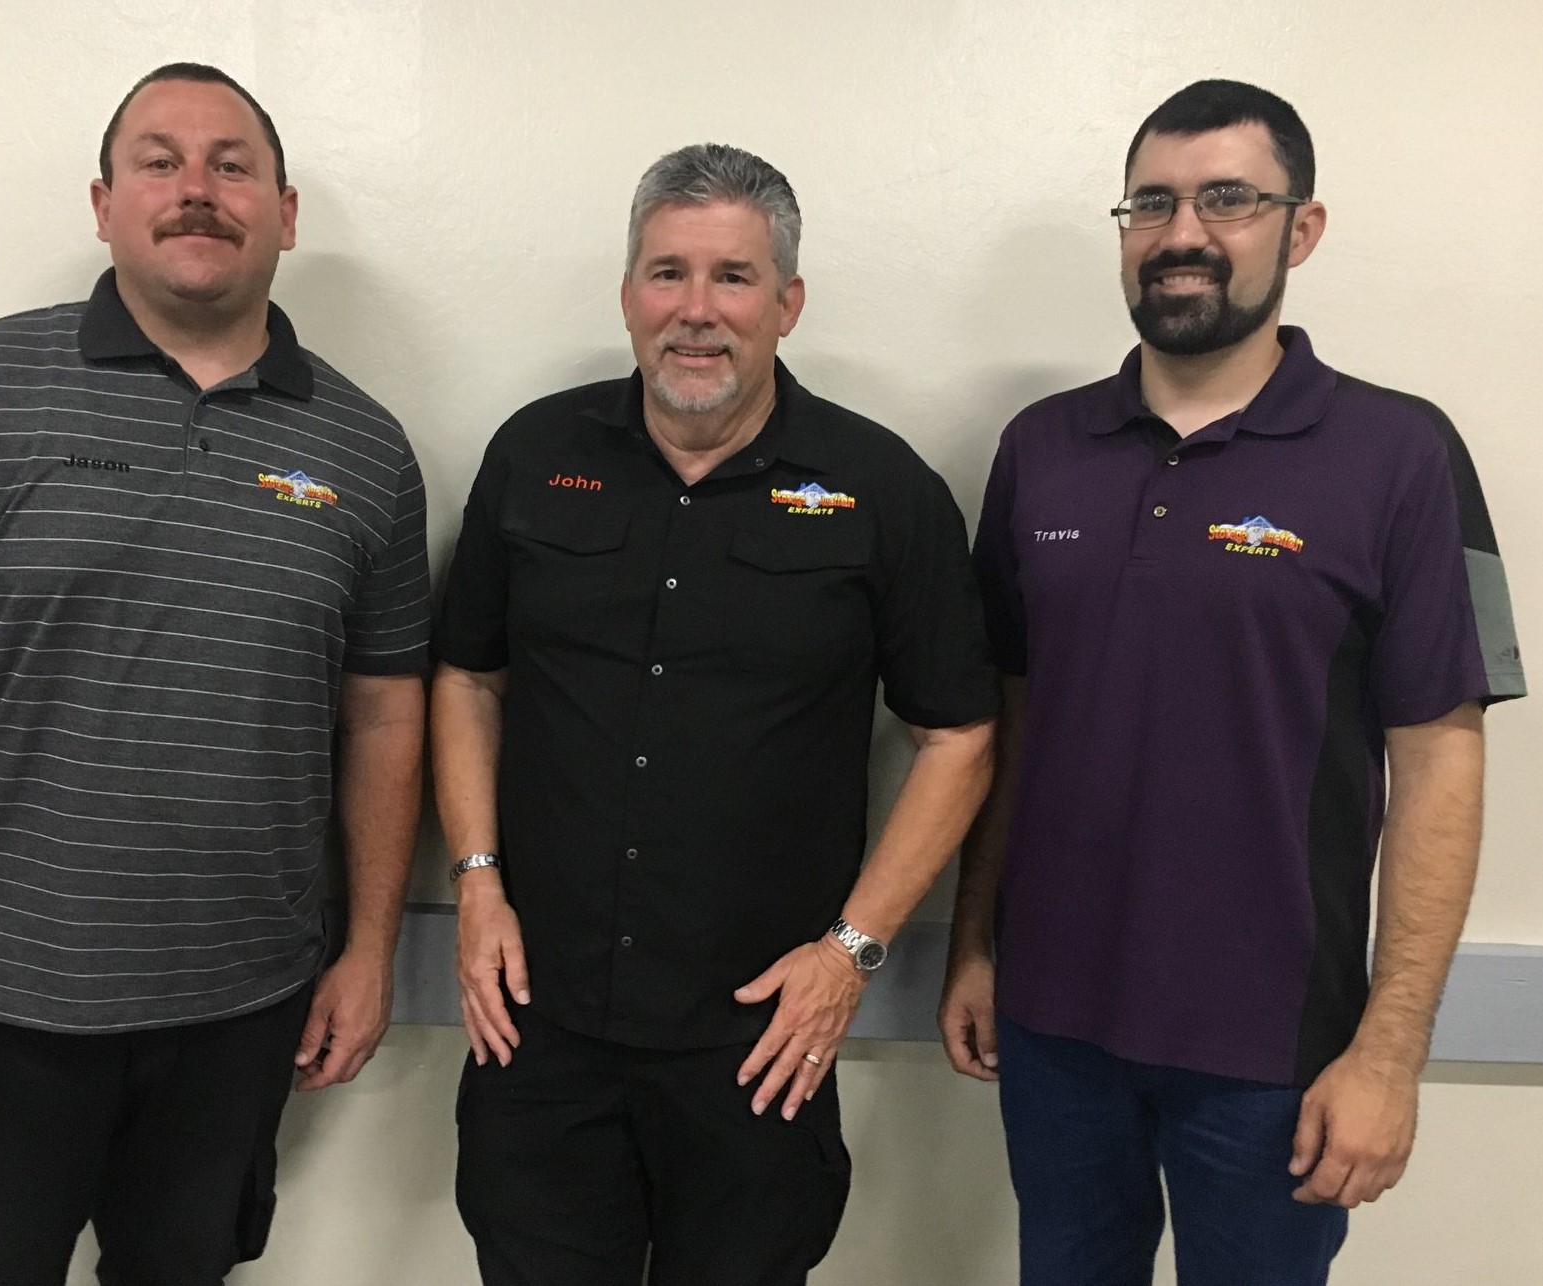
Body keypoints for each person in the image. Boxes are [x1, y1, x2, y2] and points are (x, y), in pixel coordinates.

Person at [0, 62, 429, 1285]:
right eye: (159, 161)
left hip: (242, 1009)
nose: (196, 188)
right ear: (104, 204)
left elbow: (382, 717)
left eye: (232, 165)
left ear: (284, 214)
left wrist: (368, 951)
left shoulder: (364, 448)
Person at [938, 79, 1525, 1285]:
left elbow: (1440, 758)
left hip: (1275, 1052)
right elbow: (1014, 719)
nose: (1184, 233)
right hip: (1053, 1031)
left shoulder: (1404, 452)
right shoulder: (1041, 448)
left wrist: (1389, 1049)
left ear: (1301, 229)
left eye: (1228, 199)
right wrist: (975, 943)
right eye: (1151, 203)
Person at [432, 142, 998, 1286]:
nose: (697, 310)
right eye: (668, 272)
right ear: (628, 294)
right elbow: (468, 678)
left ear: (788, 301)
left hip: (759, 1042)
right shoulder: (535, 454)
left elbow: (960, 734)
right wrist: (477, 879)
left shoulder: (881, 489)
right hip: (539, 1024)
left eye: (734, 276)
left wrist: (851, 952)